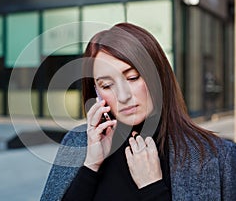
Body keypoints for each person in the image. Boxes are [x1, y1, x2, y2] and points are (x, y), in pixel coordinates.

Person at [40, 23, 236, 201]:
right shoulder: (76, 143)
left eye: (132, 78)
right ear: (96, 92)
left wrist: (152, 188)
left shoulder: (217, 155)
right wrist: (90, 166)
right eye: (107, 85)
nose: (123, 96)